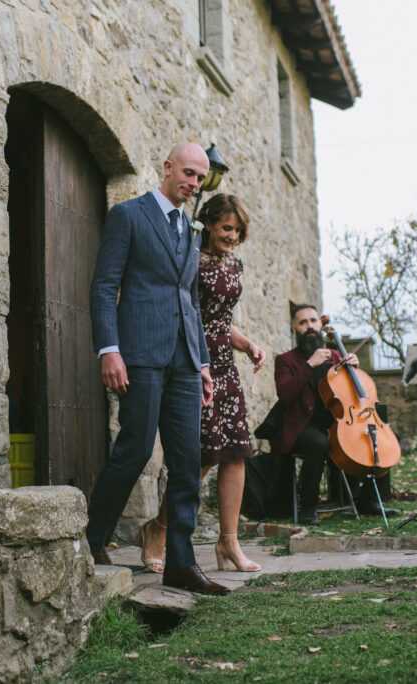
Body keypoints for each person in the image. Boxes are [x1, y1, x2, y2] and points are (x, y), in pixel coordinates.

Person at [87, 143, 228, 596]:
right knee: (134, 450)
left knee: (187, 463)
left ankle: (182, 564)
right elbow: (105, 286)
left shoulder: (191, 229)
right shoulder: (128, 216)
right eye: (188, 173)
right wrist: (110, 349)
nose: (194, 183)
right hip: (141, 355)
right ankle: (90, 540)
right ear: (167, 168)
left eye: (200, 178)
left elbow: (190, 302)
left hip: (185, 362)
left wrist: (203, 361)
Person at [138, 194, 266, 575]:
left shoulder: (233, 263)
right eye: (227, 228)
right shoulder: (188, 256)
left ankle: (228, 543)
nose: (232, 236)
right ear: (208, 223)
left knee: (236, 453)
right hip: (194, 360)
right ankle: (157, 529)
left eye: (238, 231)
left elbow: (220, 319)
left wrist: (247, 345)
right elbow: (187, 310)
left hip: (225, 364)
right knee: (203, 455)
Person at [274, 305, 400, 525]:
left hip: (337, 419)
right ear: (294, 328)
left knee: (370, 432)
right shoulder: (286, 360)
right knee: (319, 442)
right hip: (304, 424)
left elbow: (350, 393)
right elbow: (285, 395)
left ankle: (369, 500)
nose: (309, 326)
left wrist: (355, 370)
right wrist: (309, 365)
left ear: (321, 325)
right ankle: (308, 507)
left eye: (313, 321)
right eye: (303, 323)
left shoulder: (335, 356)